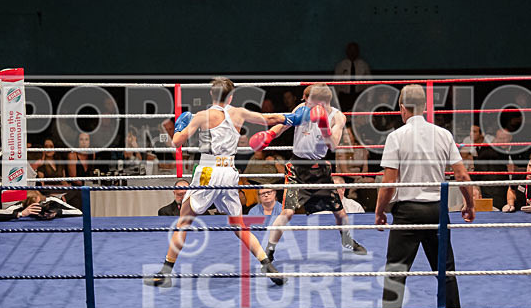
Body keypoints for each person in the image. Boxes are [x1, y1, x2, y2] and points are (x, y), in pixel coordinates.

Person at [144, 77, 301, 288]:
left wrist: (180, 126)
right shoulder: (239, 113)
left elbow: (176, 142)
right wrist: (295, 117)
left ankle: (165, 271)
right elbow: (271, 118)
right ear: (232, 96)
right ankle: (267, 265)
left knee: (184, 222)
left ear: (211, 94)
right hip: (229, 172)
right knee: (239, 226)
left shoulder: (202, 116)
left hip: (208, 172)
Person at [359, 84, 475, 308]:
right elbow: (462, 175)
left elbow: (388, 184)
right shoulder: (443, 135)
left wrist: (379, 212)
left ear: (402, 109)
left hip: (407, 213)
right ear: (425, 107)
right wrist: (469, 204)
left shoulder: (396, 137)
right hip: (437, 210)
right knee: (445, 271)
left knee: (395, 273)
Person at [255, 83, 368, 261]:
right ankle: (269, 251)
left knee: (339, 212)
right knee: (288, 212)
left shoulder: (337, 117)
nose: (306, 106)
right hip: (297, 168)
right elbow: (282, 124)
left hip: (320, 169)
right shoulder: (302, 108)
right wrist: (269, 135)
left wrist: (323, 126)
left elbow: (333, 144)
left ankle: (347, 240)